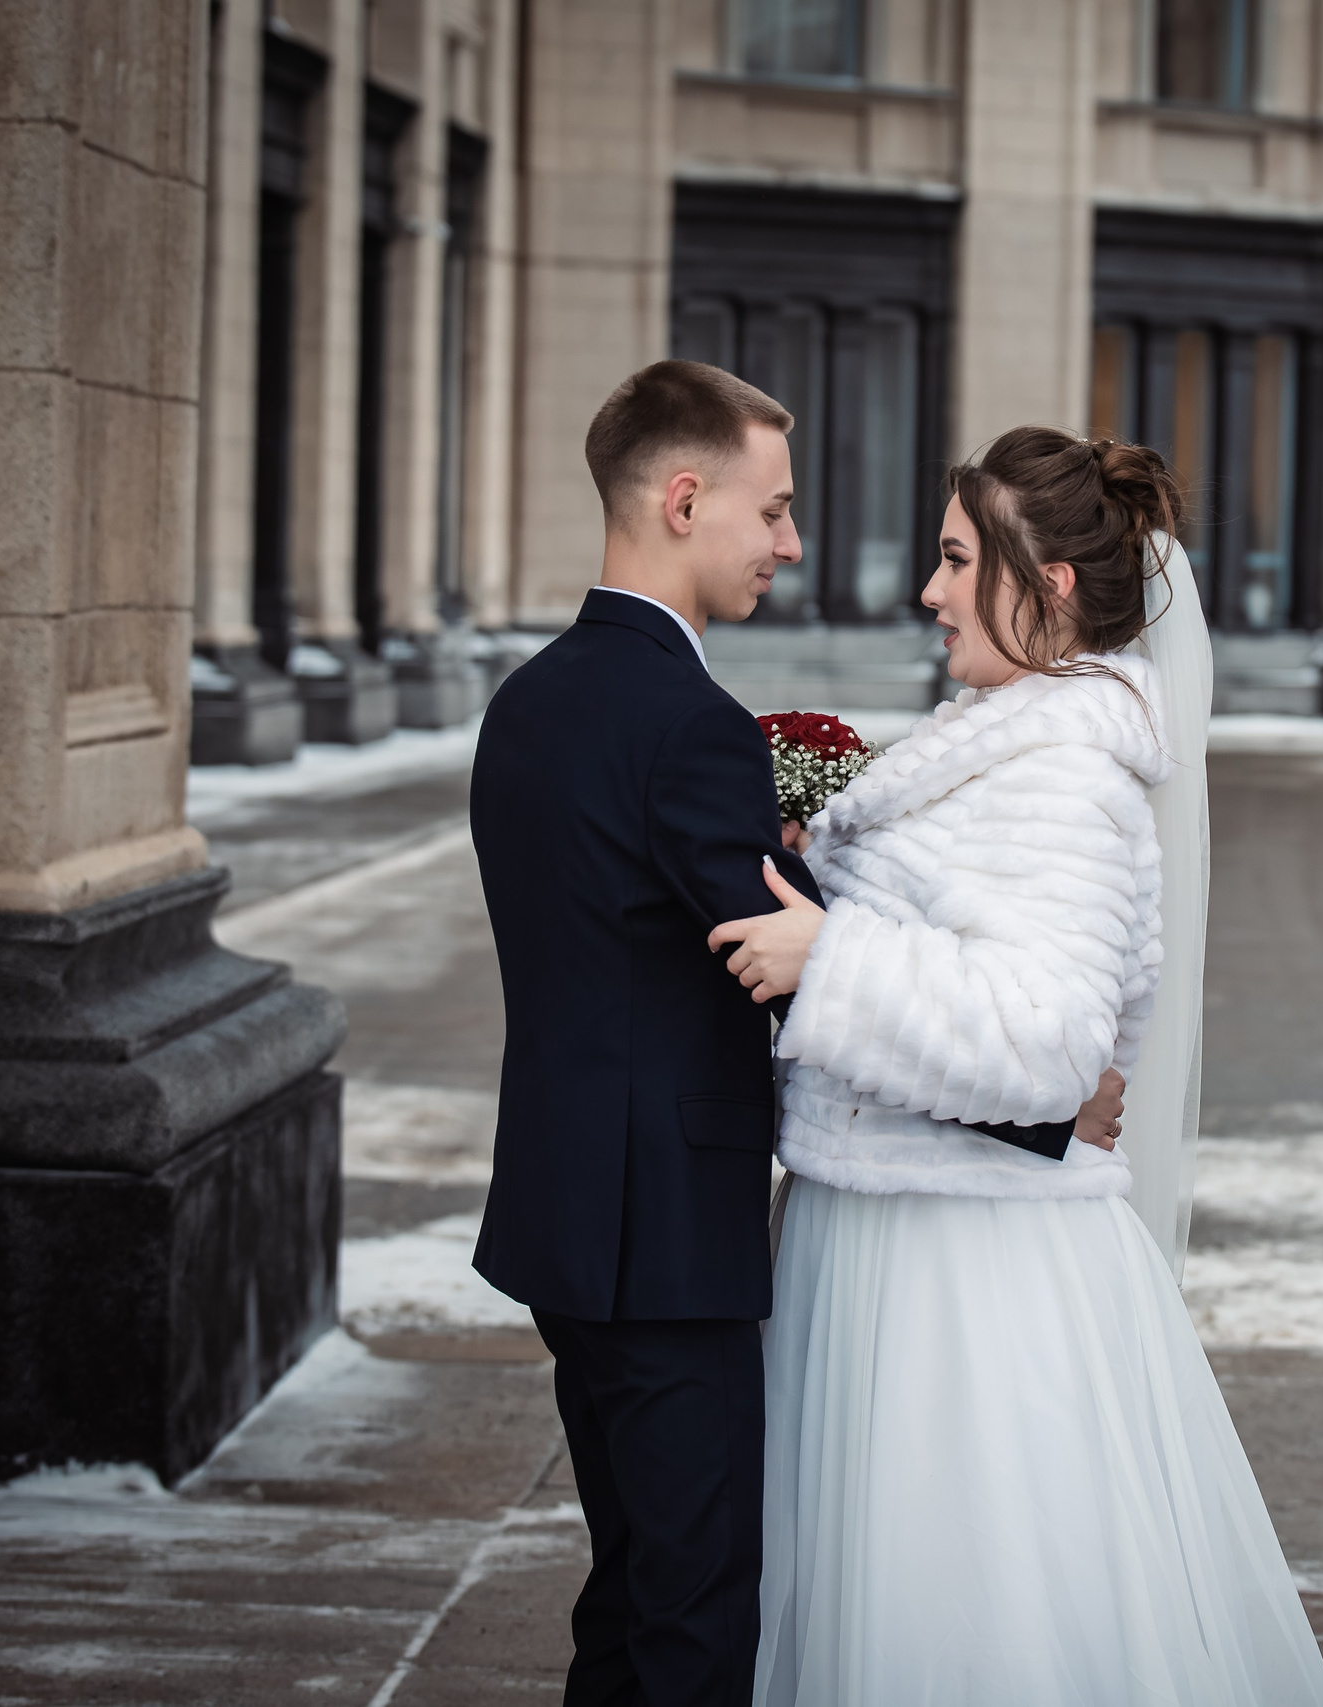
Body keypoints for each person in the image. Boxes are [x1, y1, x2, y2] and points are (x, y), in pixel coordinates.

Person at [468, 366, 1120, 1706]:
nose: (792, 543)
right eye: (772, 509)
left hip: (560, 1218)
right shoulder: (686, 726)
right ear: (685, 496)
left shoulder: (527, 702)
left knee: (634, 1582)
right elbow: (801, 972)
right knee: (695, 1613)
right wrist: (1047, 1107)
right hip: (669, 1246)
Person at [710, 425, 1323, 1705]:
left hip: (963, 1272)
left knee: (967, 1619)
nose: (930, 592)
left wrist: (831, 963)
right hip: (896, 1226)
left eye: (955, 560)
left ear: (1046, 584)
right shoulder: (996, 746)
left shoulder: (1058, 774)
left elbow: (1049, 1043)